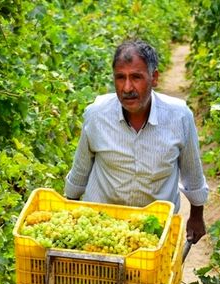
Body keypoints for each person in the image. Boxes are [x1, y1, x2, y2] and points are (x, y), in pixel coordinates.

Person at [64, 39, 209, 244]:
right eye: (120, 78)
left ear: (154, 78)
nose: (127, 87)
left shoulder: (179, 117)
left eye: (136, 77)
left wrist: (196, 216)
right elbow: (80, 172)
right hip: (101, 228)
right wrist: (70, 215)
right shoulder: (97, 115)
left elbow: (191, 172)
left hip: (154, 231)